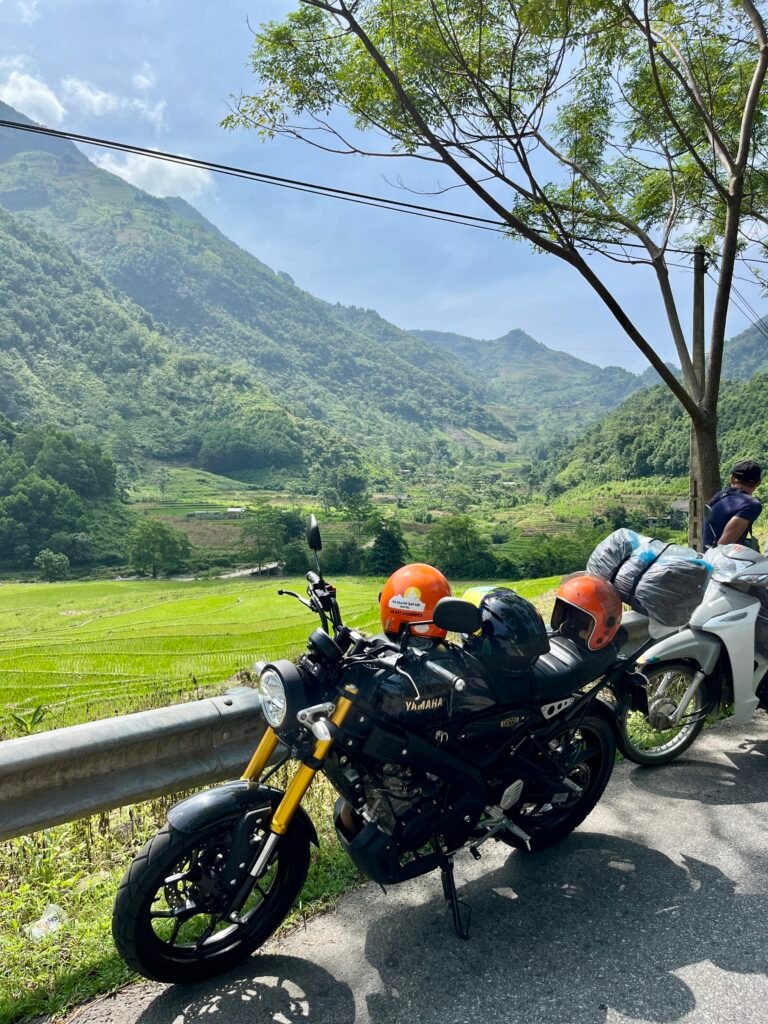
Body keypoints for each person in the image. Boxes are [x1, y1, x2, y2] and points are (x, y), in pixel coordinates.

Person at [702, 459, 763, 549]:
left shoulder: (720, 496)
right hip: (718, 560)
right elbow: (723, 546)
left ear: (732, 479)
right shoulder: (751, 505)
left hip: (706, 556)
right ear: (758, 483)